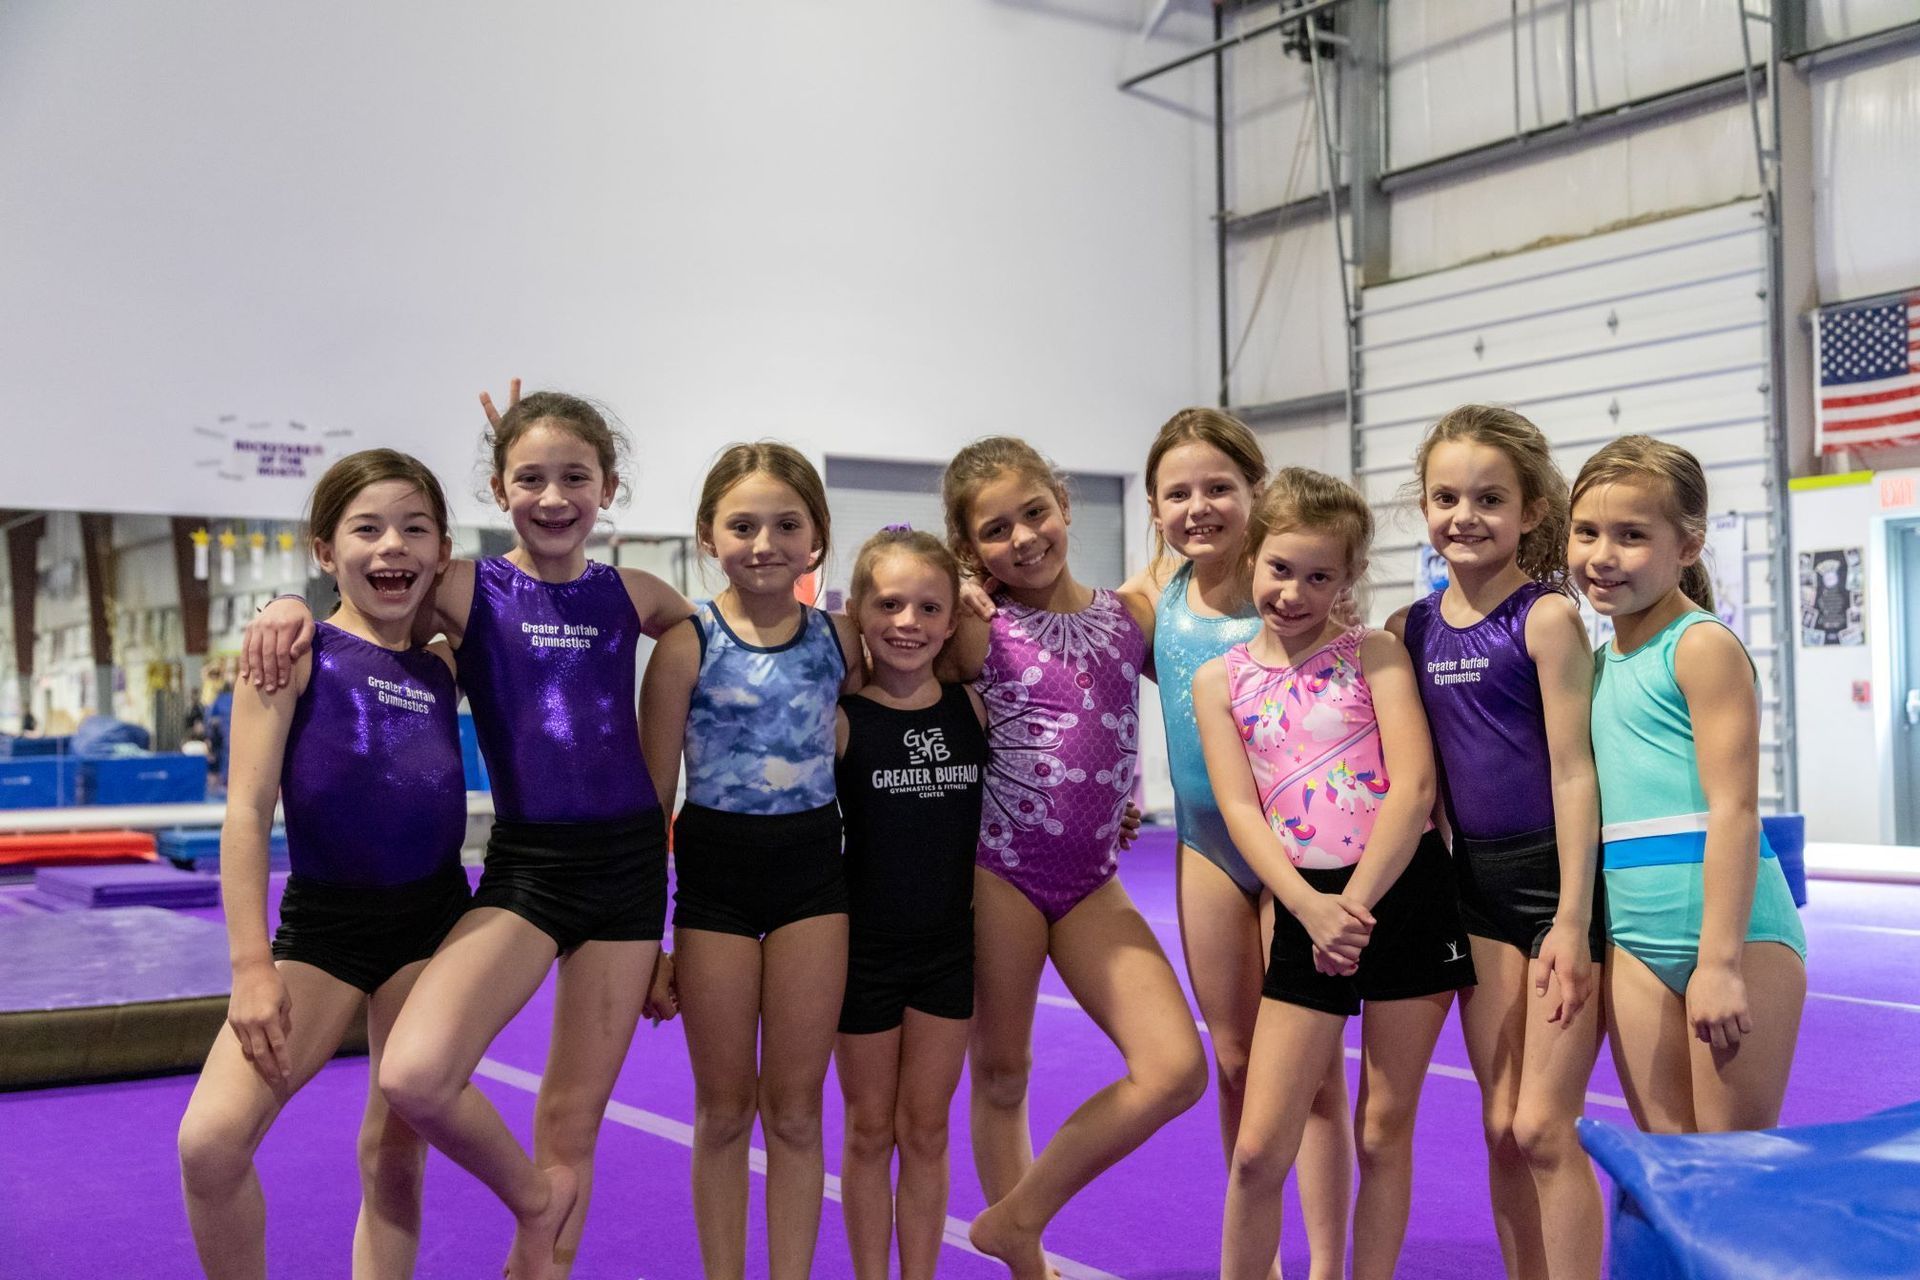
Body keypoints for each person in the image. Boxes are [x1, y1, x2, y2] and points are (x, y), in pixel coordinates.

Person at [244, 390, 686, 1280]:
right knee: (415, 1073)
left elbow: (686, 626)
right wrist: (287, 601)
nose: (554, 498)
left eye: (575, 477)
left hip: (632, 874)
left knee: (571, 1123)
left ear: (609, 489)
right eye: (530, 478)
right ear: (498, 489)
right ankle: (530, 1198)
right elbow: (370, 603)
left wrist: (661, 771)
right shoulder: (465, 586)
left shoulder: (636, 596)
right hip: (529, 867)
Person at [178, 449, 470, 1280]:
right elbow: (246, 809)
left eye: (415, 529)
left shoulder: (446, 662)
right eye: (366, 529)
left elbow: (516, 583)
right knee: (210, 1142)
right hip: (324, 931)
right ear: (324, 549)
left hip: (431, 926)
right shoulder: (296, 654)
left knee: (394, 1152)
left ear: (442, 551)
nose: (392, 547)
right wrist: (250, 965)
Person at [937, 435, 1207, 1280]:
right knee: (1002, 1070)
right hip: (999, 868)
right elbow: (885, 652)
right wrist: (949, 592)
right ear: (968, 546)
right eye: (994, 530)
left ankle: (1014, 1219)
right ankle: (1027, 1266)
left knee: (1175, 1069)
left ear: (1064, 505)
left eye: (1035, 513)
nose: (1023, 538)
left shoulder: (1130, 617)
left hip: (1093, 880)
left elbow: (1216, 642)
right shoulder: (976, 630)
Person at [1195, 467, 1475, 1280]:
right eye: (1281, 569)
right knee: (1258, 1150)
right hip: (1305, 905)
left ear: (1347, 578)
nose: (1294, 593)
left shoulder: (1373, 653)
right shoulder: (1220, 681)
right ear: (1252, 555)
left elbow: (1413, 787)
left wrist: (1351, 905)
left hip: (1401, 893)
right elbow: (1240, 808)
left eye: (1320, 577)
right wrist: (1309, 910)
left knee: (1383, 1130)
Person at [1390, 405, 1605, 1279]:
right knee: (1499, 1123)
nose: (1464, 516)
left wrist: (1572, 918)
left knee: (1543, 1128)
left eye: (1489, 499)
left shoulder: (1544, 617)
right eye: (1446, 497)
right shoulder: (1410, 629)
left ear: (1532, 511)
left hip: (1556, 882)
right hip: (1473, 886)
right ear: (1424, 506)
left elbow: (1574, 772)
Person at [639, 442, 863, 1280]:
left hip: (813, 883)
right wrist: (649, 940)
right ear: (708, 535)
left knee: (797, 1112)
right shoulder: (686, 644)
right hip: (715, 891)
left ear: (817, 537)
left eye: (786, 525)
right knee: (726, 1110)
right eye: (742, 526)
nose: (764, 543)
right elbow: (652, 804)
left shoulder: (843, 640)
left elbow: (941, 662)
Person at [1569, 435, 1806, 1134]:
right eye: (1587, 532)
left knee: (1731, 1167)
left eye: (1632, 535)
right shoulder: (1599, 664)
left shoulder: (1700, 646)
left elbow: (1734, 809)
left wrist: (1720, 962)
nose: (1602, 555)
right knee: (1667, 1164)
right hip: (1634, 935)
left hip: (1735, 934)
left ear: (1689, 546)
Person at [831, 526, 987, 1280]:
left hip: (947, 952)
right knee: (868, 1129)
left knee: (926, 1131)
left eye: (929, 608)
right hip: (862, 954)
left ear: (952, 621)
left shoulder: (972, 710)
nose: (907, 623)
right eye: (888, 604)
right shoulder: (841, 720)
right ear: (857, 612)